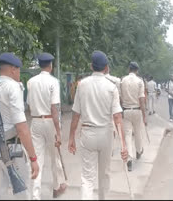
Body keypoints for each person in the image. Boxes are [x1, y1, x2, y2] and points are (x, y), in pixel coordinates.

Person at [0, 52, 39, 199]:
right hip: (12, 150)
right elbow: (22, 129)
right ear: (13, 69)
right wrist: (33, 158)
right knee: (22, 194)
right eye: (18, 70)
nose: (19, 73)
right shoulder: (13, 87)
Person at [68, 50, 128, 200]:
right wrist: (123, 144)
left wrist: (71, 137)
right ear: (106, 67)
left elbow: (76, 114)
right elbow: (117, 117)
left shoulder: (82, 85)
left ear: (91, 66)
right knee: (104, 175)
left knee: (87, 178)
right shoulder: (111, 87)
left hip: (87, 134)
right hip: (106, 134)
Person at [26, 52, 67, 199]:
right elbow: (54, 108)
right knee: (54, 156)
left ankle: (35, 196)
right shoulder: (53, 82)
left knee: (36, 159)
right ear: (50, 65)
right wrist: (58, 130)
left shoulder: (30, 82)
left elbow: (29, 105)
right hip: (50, 121)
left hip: (35, 121)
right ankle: (56, 187)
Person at [120, 62, 147, 172]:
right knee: (138, 132)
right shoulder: (140, 81)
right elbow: (142, 99)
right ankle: (139, 151)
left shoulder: (123, 80)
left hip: (126, 111)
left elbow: (120, 97)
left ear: (128, 69)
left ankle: (129, 159)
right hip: (137, 110)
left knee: (127, 134)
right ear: (137, 70)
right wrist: (144, 115)